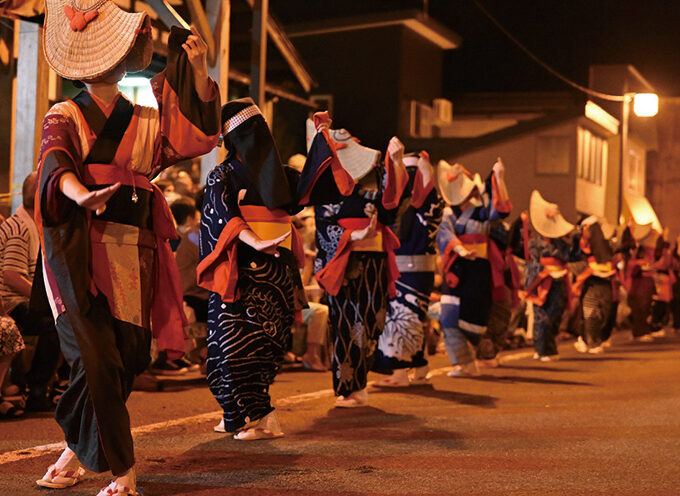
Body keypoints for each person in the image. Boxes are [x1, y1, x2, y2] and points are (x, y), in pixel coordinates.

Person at [34, 1, 220, 493]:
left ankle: (74, 452)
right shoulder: (66, 112)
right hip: (76, 243)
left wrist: (199, 70)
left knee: (129, 355)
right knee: (94, 356)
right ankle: (123, 472)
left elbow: (196, 138)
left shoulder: (145, 117)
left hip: (134, 249)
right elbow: (55, 165)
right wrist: (81, 194)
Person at [198, 98, 308, 439]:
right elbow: (222, 213)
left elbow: (320, 188)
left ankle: (263, 416)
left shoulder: (284, 174)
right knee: (223, 347)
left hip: (274, 273)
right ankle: (235, 414)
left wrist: (322, 141)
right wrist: (253, 239)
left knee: (258, 347)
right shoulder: (224, 174)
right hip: (238, 270)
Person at [308, 117, 401, 407]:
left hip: (375, 261)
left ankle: (359, 383)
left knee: (374, 321)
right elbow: (323, 225)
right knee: (347, 323)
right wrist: (354, 233)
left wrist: (395, 161)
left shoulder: (373, 184)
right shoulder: (327, 189)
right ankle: (349, 387)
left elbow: (391, 207)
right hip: (345, 262)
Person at [373, 143, 444, 386]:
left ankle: (400, 373)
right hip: (423, 268)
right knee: (415, 316)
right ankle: (420, 365)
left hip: (405, 266)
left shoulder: (410, 203)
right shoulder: (433, 201)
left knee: (401, 317)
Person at [437, 159, 511, 377]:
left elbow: (500, 211)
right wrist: (459, 249)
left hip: (479, 269)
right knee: (449, 316)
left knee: (474, 316)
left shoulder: (481, 212)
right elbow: (444, 234)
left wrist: (498, 177)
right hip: (456, 268)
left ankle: (471, 361)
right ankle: (464, 363)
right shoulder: (448, 213)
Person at [0, 172, 61, 411]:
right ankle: (35, 387)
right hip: (11, 302)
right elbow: (11, 276)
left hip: (21, 299)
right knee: (55, 324)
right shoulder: (20, 228)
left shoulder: (30, 224)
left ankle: (48, 383)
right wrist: (46, 298)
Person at [525, 190, 578, 362]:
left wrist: (572, 238)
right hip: (542, 280)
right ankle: (542, 350)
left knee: (556, 313)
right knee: (541, 316)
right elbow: (532, 261)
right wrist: (542, 271)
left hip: (559, 278)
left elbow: (572, 256)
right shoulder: (534, 243)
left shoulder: (562, 243)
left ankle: (550, 347)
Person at [573, 217, 617, 354]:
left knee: (604, 312)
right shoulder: (578, 246)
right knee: (590, 312)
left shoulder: (603, 246)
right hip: (589, 283)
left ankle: (586, 339)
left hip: (603, 281)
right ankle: (592, 342)